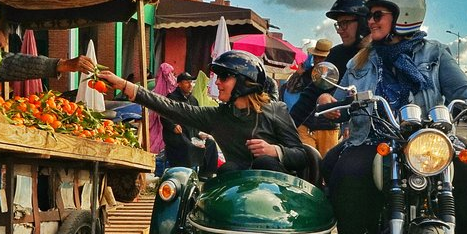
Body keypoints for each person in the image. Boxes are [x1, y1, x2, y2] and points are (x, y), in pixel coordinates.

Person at [318, 0, 467, 234]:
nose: (369, 22)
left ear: (403, 16)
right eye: (369, 16)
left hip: (425, 139)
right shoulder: (363, 58)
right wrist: (330, 101)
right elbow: (344, 95)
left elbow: (461, 87)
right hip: (374, 137)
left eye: (377, 15)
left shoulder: (435, 53)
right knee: (346, 171)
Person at [98, 50, 307, 175]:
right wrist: (124, 85)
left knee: (265, 162)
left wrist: (275, 151)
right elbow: (171, 107)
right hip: (237, 199)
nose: (217, 82)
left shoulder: (276, 110)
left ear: (245, 81)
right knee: (227, 170)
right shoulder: (217, 117)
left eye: (224, 77)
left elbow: (301, 157)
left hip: (277, 201)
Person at [290, 0, 372, 155]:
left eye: (345, 23)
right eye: (338, 24)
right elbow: (311, 95)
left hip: (391, 136)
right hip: (358, 139)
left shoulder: (383, 53)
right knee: (329, 167)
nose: (340, 30)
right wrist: (285, 130)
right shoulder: (338, 54)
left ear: (363, 22)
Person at [163, 72, 218, 178]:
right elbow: (164, 116)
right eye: (186, 82)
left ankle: (207, 173)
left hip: (192, 132)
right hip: (178, 135)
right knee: (188, 146)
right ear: (179, 84)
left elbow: (197, 118)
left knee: (210, 142)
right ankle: (186, 176)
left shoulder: (193, 100)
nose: (190, 85)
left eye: (191, 82)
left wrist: (200, 132)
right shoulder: (172, 98)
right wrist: (172, 126)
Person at [286, 39, 335, 156]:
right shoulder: (307, 73)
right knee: (307, 161)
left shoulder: (336, 76)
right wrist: (298, 73)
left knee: (327, 164)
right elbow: (290, 88)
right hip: (305, 125)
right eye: (316, 57)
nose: (318, 61)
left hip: (328, 127)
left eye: (322, 58)